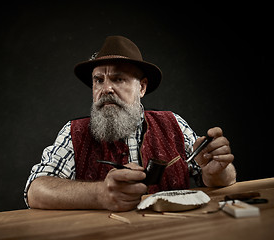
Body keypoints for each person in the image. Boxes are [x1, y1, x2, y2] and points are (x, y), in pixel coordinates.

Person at [24, 36, 236, 212]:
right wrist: (99, 194)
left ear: (142, 88)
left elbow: (215, 180)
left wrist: (217, 171)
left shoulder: (173, 125)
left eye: (118, 79)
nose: (105, 89)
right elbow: (36, 190)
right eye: (98, 80)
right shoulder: (74, 133)